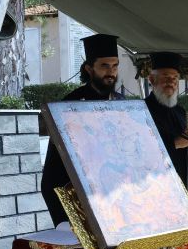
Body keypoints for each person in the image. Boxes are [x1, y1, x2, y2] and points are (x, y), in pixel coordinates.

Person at [41, 33, 125, 227]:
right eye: (104, 66)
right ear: (89, 68)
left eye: (115, 65)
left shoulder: (121, 103)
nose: (111, 72)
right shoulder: (70, 105)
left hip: (113, 193)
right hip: (75, 192)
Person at [144, 52, 188, 196]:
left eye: (175, 78)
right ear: (152, 79)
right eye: (166, 77)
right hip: (155, 188)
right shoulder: (142, 111)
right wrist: (175, 144)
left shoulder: (181, 112)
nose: (171, 82)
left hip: (184, 185)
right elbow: (140, 150)